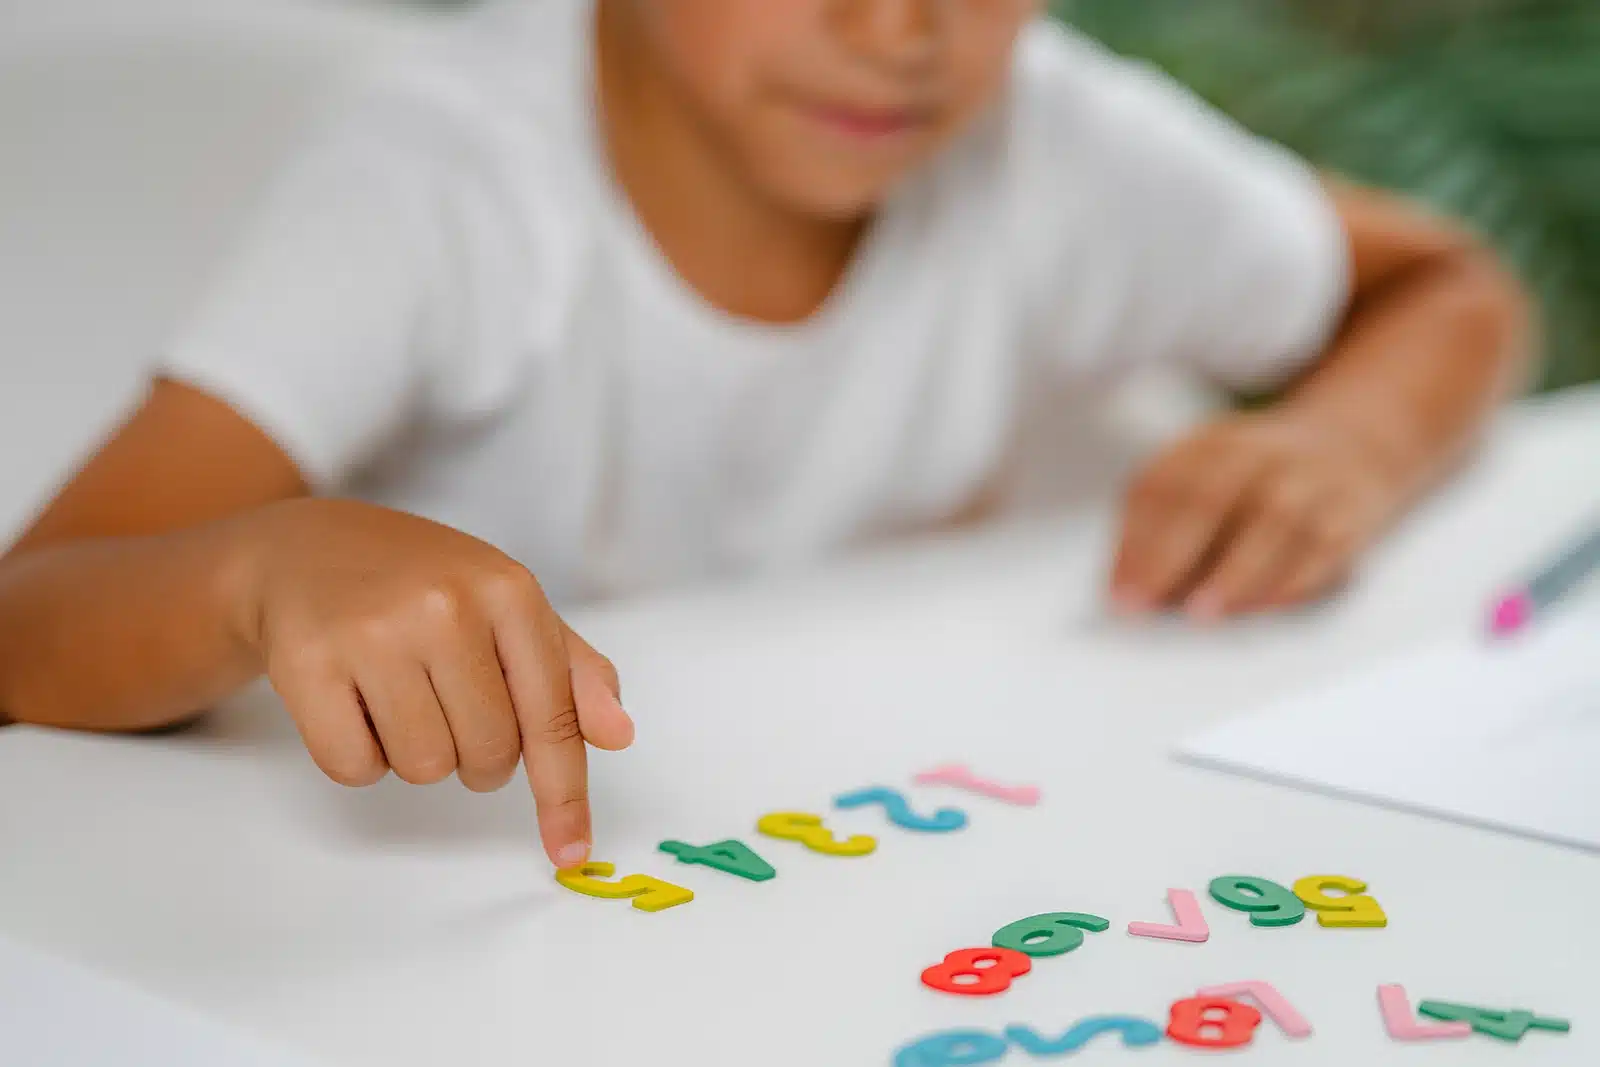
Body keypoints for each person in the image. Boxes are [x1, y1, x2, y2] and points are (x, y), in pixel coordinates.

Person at [0, 0, 1528, 868]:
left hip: (883, 851)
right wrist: (262, 567)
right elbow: (27, 619)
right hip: (480, 904)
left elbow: (1448, 282)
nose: (897, 32)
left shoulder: (1047, 135)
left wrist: (1351, 441)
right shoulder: (446, 181)